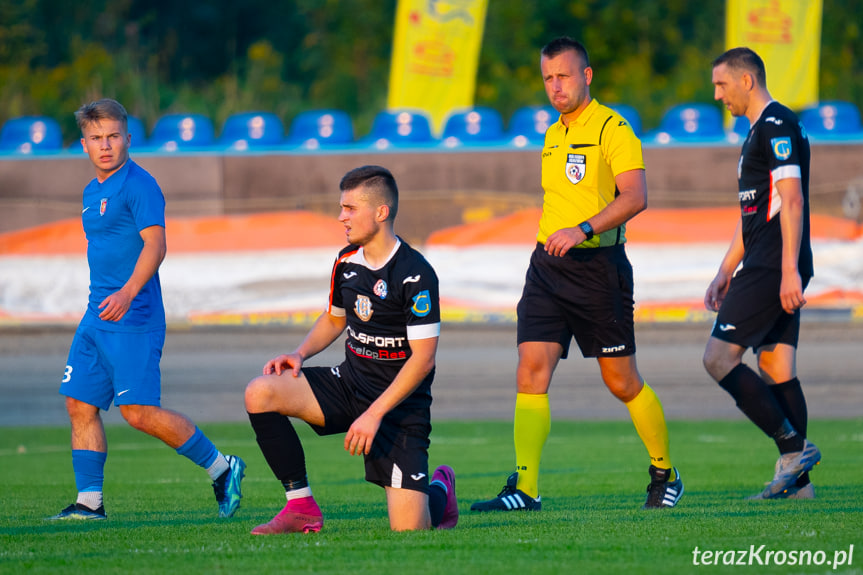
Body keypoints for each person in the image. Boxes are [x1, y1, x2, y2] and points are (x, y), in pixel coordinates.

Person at [471, 37, 683, 512]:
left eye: (563, 76)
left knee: (621, 382)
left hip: (599, 270)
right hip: (547, 268)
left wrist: (583, 229)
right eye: (548, 78)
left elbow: (635, 196)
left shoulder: (614, 127)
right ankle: (526, 489)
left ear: (586, 75)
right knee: (530, 370)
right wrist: (560, 234)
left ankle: (665, 472)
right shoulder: (552, 133)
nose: (555, 87)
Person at [48, 99, 245, 521]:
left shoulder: (139, 185)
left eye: (113, 136)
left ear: (127, 139)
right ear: (84, 144)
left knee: (138, 413)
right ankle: (89, 503)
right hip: (96, 316)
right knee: (79, 404)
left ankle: (222, 468)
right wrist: (107, 298)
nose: (106, 146)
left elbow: (156, 245)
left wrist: (127, 292)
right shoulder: (91, 191)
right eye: (97, 138)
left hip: (134, 318)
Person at [244, 165, 457, 534]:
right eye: (341, 207)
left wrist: (374, 415)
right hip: (349, 385)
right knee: (260, 392)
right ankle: (300, 507)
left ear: (381, 212)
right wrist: (299, 354)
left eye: (349, 208)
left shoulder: (415, 274)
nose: (341, 216)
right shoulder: (346, 261)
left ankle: (439, 492)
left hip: (398, 408)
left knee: (410, 533)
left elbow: (423, 361)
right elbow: (334, 318)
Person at [704, 47, 820, 499]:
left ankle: (793, 449)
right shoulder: (757, 133)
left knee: (717, 359)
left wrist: (788, 270)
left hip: (774, 263)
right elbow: (753, 212)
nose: (717, 95)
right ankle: (799, 487)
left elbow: (791, 200)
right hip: (767, 260)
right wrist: (724, 269)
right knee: (775, 366)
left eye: (721, 84)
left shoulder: (777, 126)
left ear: (746, 81)